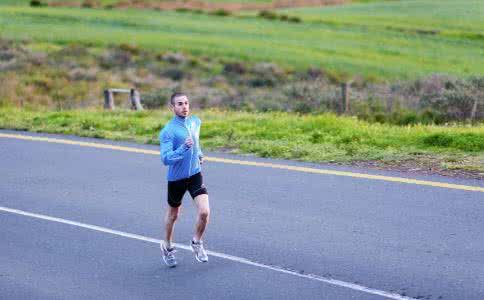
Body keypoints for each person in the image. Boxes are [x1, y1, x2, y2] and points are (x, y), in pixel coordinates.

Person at [159, 92, 210, 268]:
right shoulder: (168, 131)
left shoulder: (195, 121)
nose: (184, 106)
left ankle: (197, 242)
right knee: (174, 215)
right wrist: (183, 148)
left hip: (195, 174)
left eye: (186, 103)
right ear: (172, 107)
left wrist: (199, 154)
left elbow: (196, 142)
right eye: (179, 104)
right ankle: (167, 245)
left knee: (204, 212)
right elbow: (165, 158)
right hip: (176, 178)